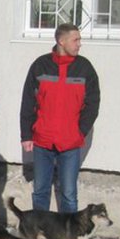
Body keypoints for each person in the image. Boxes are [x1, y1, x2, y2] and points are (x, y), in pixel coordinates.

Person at [20, 23, 100, 214]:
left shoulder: (84, 68)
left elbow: (93, 104)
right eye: (76, 40)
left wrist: (79, 132)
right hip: (42, 141)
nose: (79, 44)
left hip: (70, 143)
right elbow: (28, 102)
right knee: (40, 191)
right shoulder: (40, 66)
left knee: (69, 194)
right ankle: (39, 237)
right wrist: (26, 135)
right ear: (61, 41)